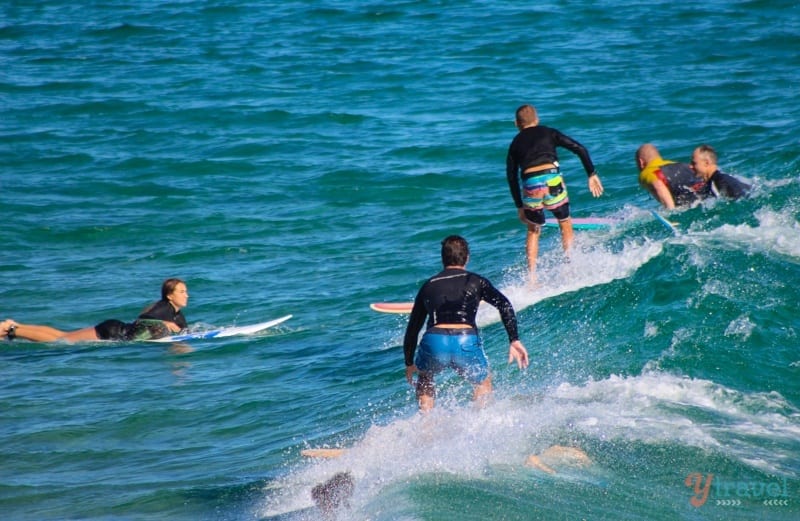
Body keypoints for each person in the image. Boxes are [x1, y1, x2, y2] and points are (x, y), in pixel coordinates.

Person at [403, 235, 529, 412]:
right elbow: (504, 305)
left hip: (435, 342)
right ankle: (479, 420)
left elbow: (413, 329)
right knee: (482, 381)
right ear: (467, 257)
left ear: (442, 259)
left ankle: (426, 424)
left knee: (425, 377)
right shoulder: (476, 281)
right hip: (465, 340)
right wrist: (514, 339)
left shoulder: (428, 286)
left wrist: (409, 362)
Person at [506, 104, 604, 277]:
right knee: (564, 222)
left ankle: (532, 278)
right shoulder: (548, 132)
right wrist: (591, 174)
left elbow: (511, 176)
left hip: (531, 184)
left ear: (516, 124)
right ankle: (569, 265)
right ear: (537, 119)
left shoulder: (515, 143)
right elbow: (580, 148)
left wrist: (519, 206)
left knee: (533, 229)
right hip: (552, 179)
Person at [1, 278, 189, 343]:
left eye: (186, 291)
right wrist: (164, 323)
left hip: (116, 332)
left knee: (62, 335)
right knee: (60, 340)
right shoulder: (163, 308)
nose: (186, 295)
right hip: (113, 331)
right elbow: (142, 321)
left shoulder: (177, 314)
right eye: (182, 291)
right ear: (169, 295)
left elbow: (182, 333)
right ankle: (11, 331)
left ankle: (16, 326)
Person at [636, 143, 707, 209]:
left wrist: (671, 211)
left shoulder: (647, 172)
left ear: (641, 162)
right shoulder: (677, 164)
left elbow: (658, 185)